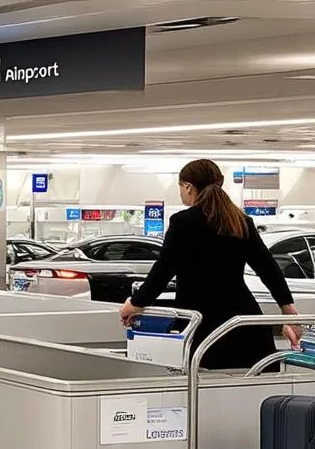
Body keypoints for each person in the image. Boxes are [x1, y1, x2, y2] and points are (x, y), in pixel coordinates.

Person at [121, 158, 301, 369]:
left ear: (188, 186)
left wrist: (135, 303)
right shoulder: (240, 221)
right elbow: (268, 269)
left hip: (203, 329)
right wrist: (289, 314)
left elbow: (163, 271)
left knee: (206, 396)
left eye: (180, 187)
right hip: (245, 325)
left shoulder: (183, 222)